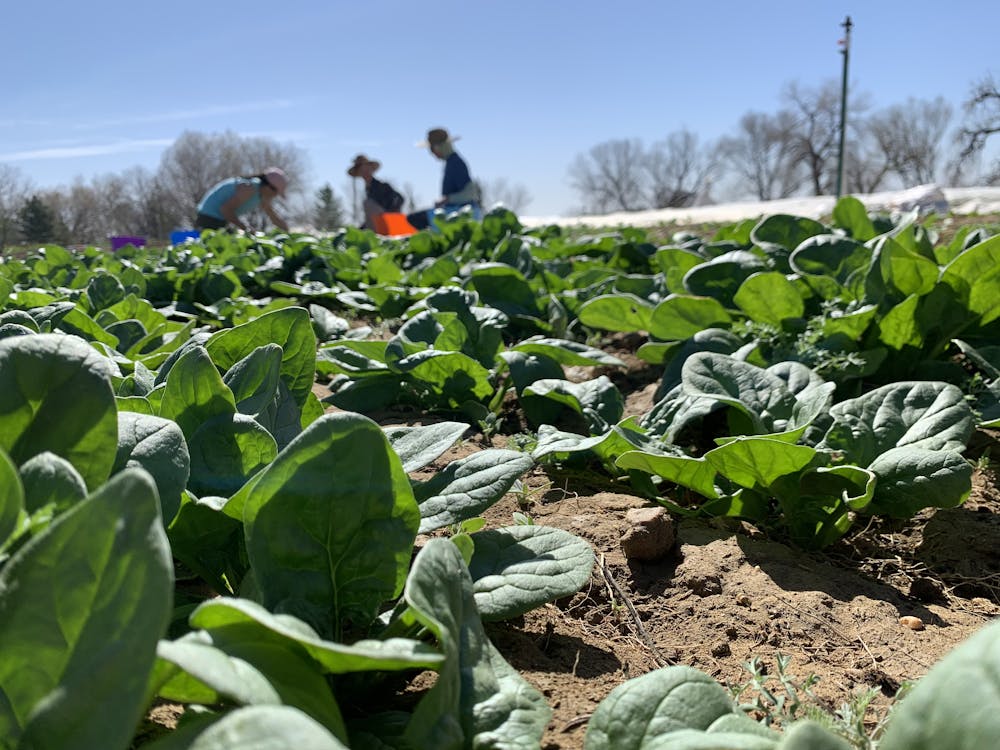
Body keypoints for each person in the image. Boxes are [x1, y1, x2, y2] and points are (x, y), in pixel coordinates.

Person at [406, 127, 480, 230]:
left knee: (415, 219)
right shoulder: (451, 162)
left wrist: (447, 199)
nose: (432, 153)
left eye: (432, 149)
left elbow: (470, 193)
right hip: (457, 212)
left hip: (463, 214)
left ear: (439, 147)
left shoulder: (455, 163)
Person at [195, 167, 290, 232]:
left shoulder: (262, 195)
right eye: (275, 193)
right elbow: (225, 210)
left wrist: (288, 232)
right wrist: (246, 229)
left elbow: (273, 216)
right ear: (269, 187)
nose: (274, 196)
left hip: (221, 220)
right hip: (208, 219)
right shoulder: (249, 188)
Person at [347, 154, 405, 230]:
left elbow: (400, 198)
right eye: (362, 170)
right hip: (378, 225)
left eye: (367, 169)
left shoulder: (383, 186)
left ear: (371, 170)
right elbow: (371, 217)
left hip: (391, 223)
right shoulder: (368, 191)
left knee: (367, 204)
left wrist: (391, 215)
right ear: (359, 173)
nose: (365, 172)